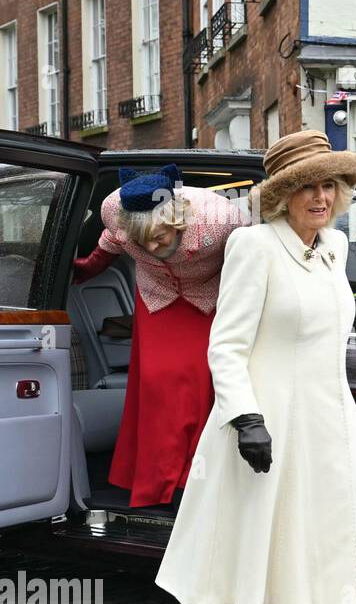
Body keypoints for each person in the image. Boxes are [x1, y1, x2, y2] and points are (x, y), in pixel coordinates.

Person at [156, 130, 356, 604]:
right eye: (305, 187)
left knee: (347, 546)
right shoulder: (254, 248)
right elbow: (228, 346)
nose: (320, 197)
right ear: (281, 195)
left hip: (332, 424)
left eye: (329, 185)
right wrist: (246, 419)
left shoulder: (335, 250)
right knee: (253, 543)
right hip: (264, 423)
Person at [71, 165, 250, 507]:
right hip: (157, 301)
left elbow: (259, 256)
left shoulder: (222, 218)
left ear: (177, 219)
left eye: (160, 235)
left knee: (202, 384)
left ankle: (193, 484)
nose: (152, 246)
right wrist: (79, 271)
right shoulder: (116, 216)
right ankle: (156, 483)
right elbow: (106, 248)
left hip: (206, 303)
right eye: (143, 240)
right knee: (157, 386)